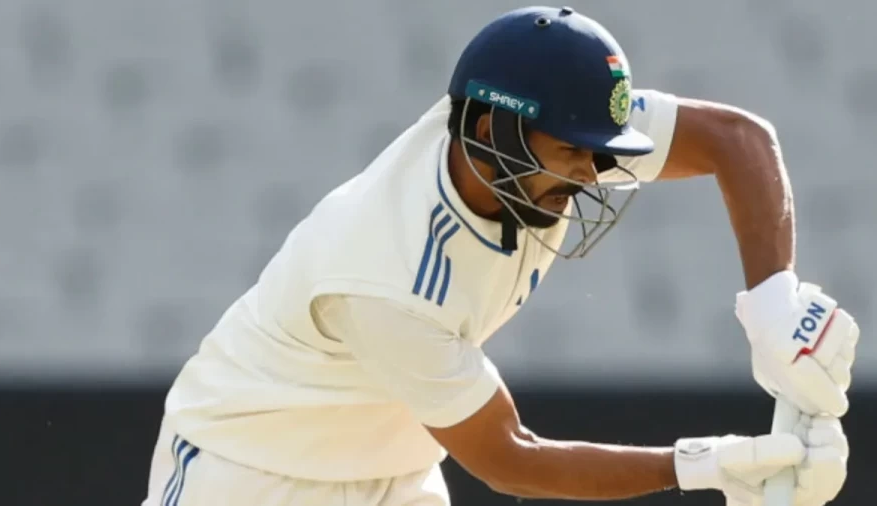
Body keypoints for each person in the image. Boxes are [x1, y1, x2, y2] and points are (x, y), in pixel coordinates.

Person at [141, 6, 859, 506]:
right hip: (248, 472)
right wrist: (704, 465)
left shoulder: (530, 126)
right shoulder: (392, 275)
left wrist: (773, 301)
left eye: (600, 151)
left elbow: (738, 140)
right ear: (491, 132)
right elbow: (511, 458)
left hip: (396, 472)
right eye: (573, 151)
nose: (592, 175)